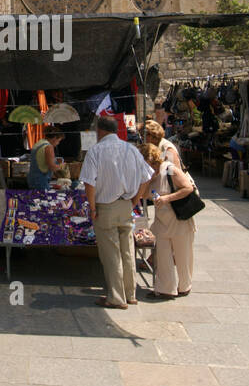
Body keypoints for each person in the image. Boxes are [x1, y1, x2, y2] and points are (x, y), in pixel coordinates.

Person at [81, 115, 155, 309]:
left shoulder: (96, 151)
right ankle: (131, 294)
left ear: (100, 131)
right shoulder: (131, 149)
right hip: (126, 206)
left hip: (106, 207)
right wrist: (135, 200)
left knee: (111, 253)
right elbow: (147, 176)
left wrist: (93, 207)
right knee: (128, 251)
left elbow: (89, 182)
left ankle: (116, 297)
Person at [139, 142, 197, 300]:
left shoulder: (169, 169)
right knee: (162, 255)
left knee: (182, 254)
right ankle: (165, 288)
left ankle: (184, 286)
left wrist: (167, 198)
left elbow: (188, 188)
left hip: (179, 219)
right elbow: (143, 195)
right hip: (162, 221)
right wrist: (147, 178)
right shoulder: (150, 176)